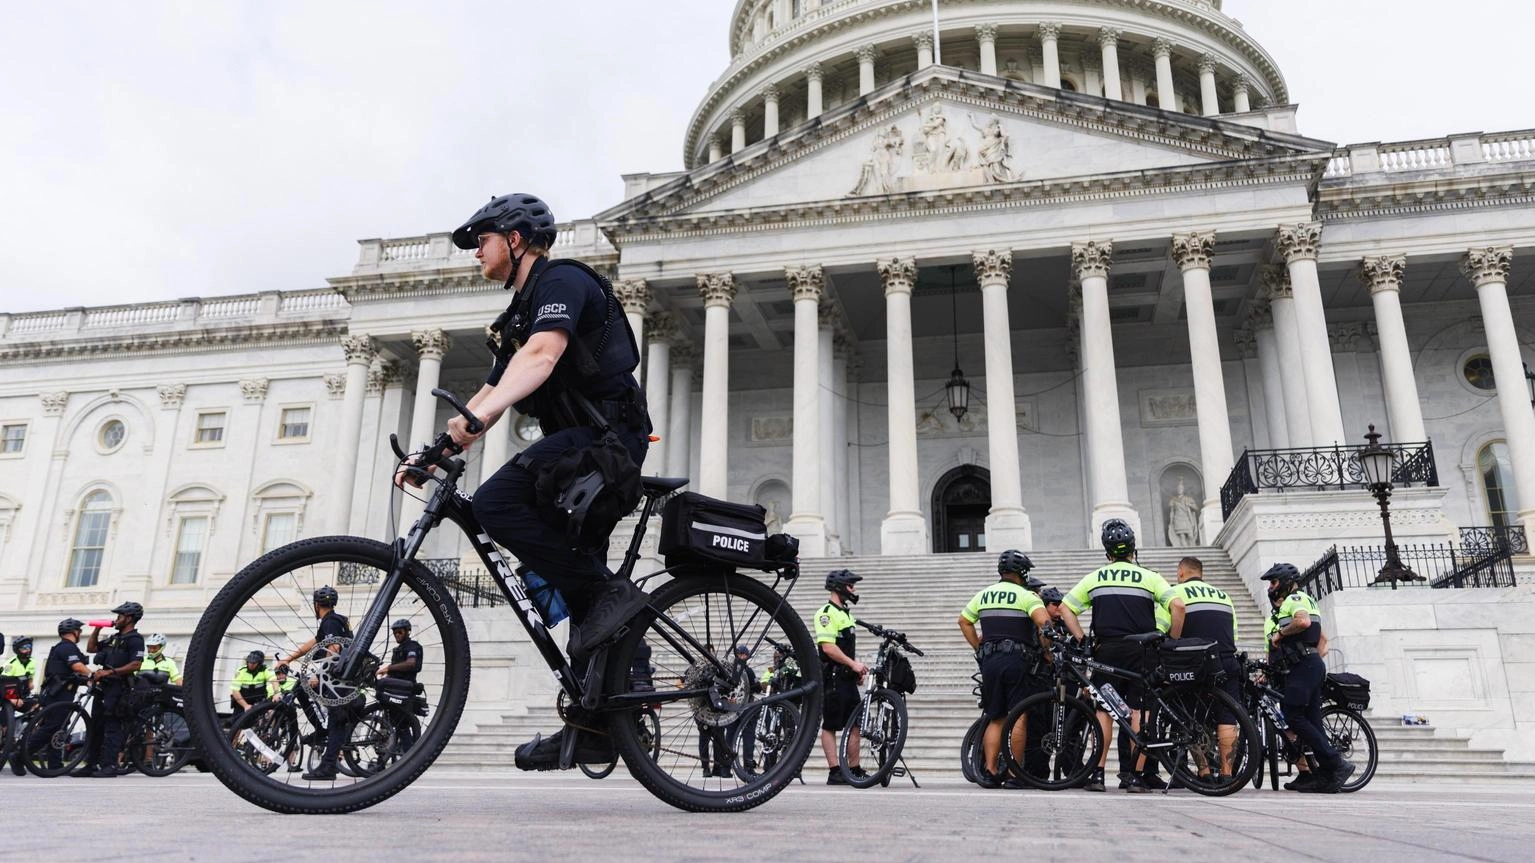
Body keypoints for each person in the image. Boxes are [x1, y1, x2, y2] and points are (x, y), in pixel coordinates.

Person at [403, 194, 649, 772]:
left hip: (607, 441)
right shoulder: (517, 314)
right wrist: (436, 450)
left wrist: (480, 420)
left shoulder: (562, 281)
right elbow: (490, 390)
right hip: (577, 450)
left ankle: (611, 595)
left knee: (494, 500)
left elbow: (541, 357)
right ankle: (599, 724)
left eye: (482, 240)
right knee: (578, 581)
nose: (475, 253)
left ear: (516, 239)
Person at [1061, 519, 1184, 793]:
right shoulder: (1149, 576)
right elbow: (1177, 606)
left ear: (1107, 552)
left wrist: (1082, 639)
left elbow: (1065, 608)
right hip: (1143, 651)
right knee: (1141, 712)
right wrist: (1172, 643)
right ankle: (1136, 777)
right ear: (1132, 550)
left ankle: (1098, 774)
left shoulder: (1095, 577)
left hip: (1107, 651)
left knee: (1104, 712)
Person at [958, 549, 1052, 788]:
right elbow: (1044, 623)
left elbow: (964, 621)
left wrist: (979, 646)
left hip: (989, 660)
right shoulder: (1027, 595)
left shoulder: (984, 594)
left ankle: (989, 771)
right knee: (1018, 714)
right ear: (1022, 573)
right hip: (1017, 660)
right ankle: (1014, 773)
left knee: (996, 715)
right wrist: (1047, 648)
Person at [1261, 563, 1354, 793]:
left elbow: (1302, 621)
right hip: (1309, 665)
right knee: (1312, 721)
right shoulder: (1304, 600)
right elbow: (1319, 636)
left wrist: (1280, 635)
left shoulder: (1295, 600)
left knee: (1293, 715)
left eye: (1273, 582)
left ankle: (1335, 763)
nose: (1270, 588)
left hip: (1303, 666)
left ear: (1283, 581)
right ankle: (1326, 774)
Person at [1170, 557, 1242, 781]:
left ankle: (1204, 773)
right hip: (1226, 660)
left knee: (1193, 719)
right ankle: (1227, 774)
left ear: (1182, 572)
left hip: (1194, 662)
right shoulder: (1223, 596)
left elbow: (1167, 628)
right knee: (1227, 718)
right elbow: (1235, 634)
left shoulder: (1176, 593)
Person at [277, 585, 357, 781]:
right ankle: (321, 732)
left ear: (316, 605)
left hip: (338, 677)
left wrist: (320, 674)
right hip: (342, 676)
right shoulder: (333, 621)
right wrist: (289, 658)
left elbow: (334, 648)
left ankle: (328, 766)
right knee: (303, 690)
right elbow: (313, 643)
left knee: (336, 718)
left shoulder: (330, 622)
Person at [75, 602, 146, 777]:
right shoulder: (114, 638)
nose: (117, 619)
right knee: (96, 725)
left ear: (129, 618)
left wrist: (110, 671)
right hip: (103, 687)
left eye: (120, 616)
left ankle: (110, 766)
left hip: (119, 688)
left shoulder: (135, 640)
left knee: (112, 727)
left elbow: (136, 664)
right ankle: (91, 764)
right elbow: (91, 648)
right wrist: (98, 629)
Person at [817, 570, 868, 785]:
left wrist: (854, 671)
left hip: (847, 678)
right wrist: (853, 664)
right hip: (832, 678)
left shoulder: (846, 614)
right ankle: (835, 771)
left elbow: (846, 649)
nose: (854, 589)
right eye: (850, 585)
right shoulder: (825, 613)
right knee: (830, 725)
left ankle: (853, 768)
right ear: (839, 586)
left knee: (855, 724)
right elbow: (828, 648)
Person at [26, 619, 92, 772]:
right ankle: (21, 754)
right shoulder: (66, 647)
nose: (80, 634)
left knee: (59, 729)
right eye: (79, 630)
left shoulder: (63, 648)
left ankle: (55, 765)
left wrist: (86, 680)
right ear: (73, 631)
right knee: (52, 727)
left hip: (60, 693)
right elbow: (77, 666)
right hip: (59, 694)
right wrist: (92, 675)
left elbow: (70, 673)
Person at [229, 651, 276, 722]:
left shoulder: (266, 669)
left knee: (270, 714)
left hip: (259, 700)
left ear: (259, 663)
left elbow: (274, 681)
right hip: (243, 700)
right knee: (237, 723)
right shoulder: (241, 671)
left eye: (254, 663)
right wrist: (245, 706)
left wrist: (276, 693)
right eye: (249, 662)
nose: (250, 664)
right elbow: (235, 690)